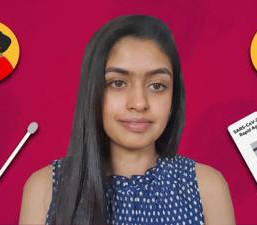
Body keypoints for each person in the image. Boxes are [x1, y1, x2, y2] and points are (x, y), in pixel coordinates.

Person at [19, 15, 235, 225]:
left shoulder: (207, 187)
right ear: (93, 91)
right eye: (118, 83)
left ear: (174, 97)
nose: (139, 103)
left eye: (157, 86)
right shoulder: (45, 188)